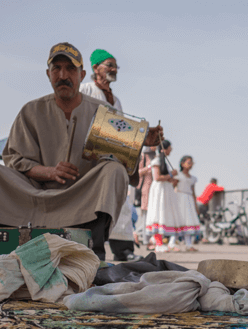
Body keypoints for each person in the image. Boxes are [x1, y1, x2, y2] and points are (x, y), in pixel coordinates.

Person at [0, 42, 162, 261]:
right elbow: (14, 159)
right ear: (48, 74)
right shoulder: (31, 111)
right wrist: (48, 172)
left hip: (82, 197)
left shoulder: (104, 112)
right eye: (56, 68)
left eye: (70, 69)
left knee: (113, 170)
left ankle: (92, 248)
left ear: (82, 74)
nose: (63, 75)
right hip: (34, 194)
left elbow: (124, 161)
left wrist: (141, 142)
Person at [79, 48, 141, 262]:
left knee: (121, 203)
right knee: (96, 204)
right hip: (90, 159)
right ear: (95, 68)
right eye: (109, 65)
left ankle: (123, 250)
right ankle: (94, 251)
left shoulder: (116, 100)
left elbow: (121, 129)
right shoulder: (84, 90)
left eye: (115, 66)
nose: (114, 69)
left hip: (113, 158)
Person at [145, 140, 183, 252]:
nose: (171, 150)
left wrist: (172, 179)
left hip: (165, 190)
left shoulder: (163, 161)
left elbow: (164, 177)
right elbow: (157, 177)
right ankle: (158, 243)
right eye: (170, 148)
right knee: (158, 214)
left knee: (164, 215)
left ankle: (159, 242)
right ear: (164, 149)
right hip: (159, 191)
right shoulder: (156, 160)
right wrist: (171, 174)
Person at [175, 155, 202, 251]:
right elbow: (173, 187)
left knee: (189, 222)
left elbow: (193, 192)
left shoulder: (193, 178)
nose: (190, 164)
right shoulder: (177, 175)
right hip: (179, 199)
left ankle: (188, 244)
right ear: (182, 164)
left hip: (189, 200)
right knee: (178, 221)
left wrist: (196, 205)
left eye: (191, 162)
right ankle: (172, 243)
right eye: (188, 162)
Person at [136, 146, 157, 249]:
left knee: (152, 215)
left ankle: (138, 234)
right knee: (145, 215)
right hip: (146, 189)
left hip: (155, 190)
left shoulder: (156, 156)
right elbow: (138, 172)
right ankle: (145, 239)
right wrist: (149, 167)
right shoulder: (143, 157)